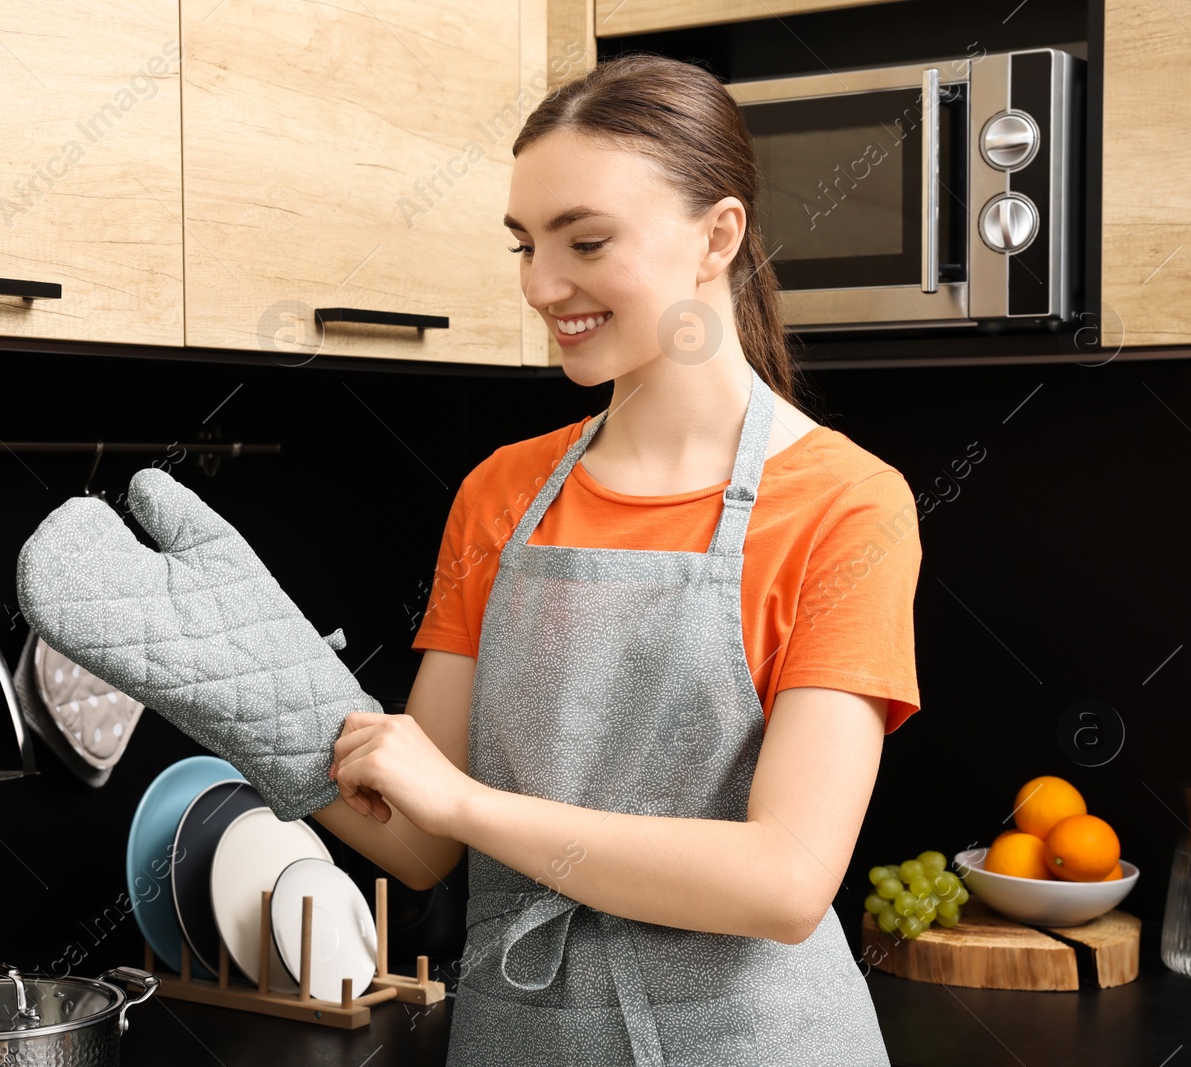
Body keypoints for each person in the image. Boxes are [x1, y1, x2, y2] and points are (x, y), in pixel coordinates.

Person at [316, 52, 921, 1066]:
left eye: (585, 240)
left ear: (715, 237)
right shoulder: (499, 495)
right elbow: (418, 836)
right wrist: (226, 670)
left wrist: (467, 802)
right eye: (523, 245)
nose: (542, 285)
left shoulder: (844, 502)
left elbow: (782, 878)